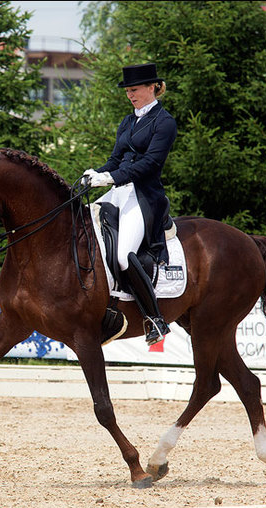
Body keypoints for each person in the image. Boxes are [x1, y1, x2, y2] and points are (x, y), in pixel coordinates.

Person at [83, 63, 177, 345]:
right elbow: (115, 159)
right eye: (127, 91)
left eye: (134, 90)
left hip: (144, 194)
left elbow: (150, 164)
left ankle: (155, 319)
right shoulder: (128, 121)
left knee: (124, 255)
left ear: (152, 87)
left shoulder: (164, 122)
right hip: (119, 191)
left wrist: (110, 178)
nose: (130, 95)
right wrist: (96, 174)